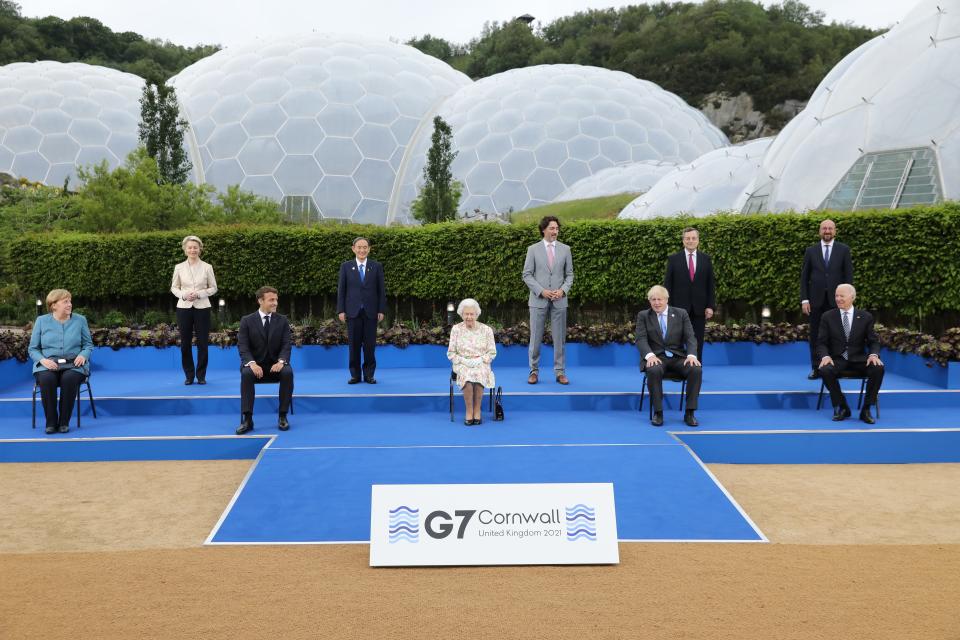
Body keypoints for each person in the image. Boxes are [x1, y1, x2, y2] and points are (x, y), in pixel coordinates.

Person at [635, 285, 702, 428]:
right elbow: (640, 339)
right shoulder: (643, 316)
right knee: (653, 369)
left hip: (678, 357)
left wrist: (691, 355)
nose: (656, 303)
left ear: (666, 300)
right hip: (657, 357)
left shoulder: (681, 313)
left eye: (659, 299)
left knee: (695, 369)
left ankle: (690, 412)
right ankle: (658, 413)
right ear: (649, 301)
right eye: (653, 299)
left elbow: (690, 337)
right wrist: (650, 356)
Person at [816, 284, 883, 425]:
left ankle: (866, 409)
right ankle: (842, 406)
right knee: (824, 370)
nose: (838, 299)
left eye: (842, 296)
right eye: (836, 296)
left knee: (877, 368)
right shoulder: (827, 317)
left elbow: (873, 341)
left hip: (859, 358)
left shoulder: (866, 317)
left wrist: (874, 355)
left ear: (852, 297)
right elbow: (821, 342)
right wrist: (825, 356)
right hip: (837, 359)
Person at [28, 289, 93, 434]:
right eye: (65, 302)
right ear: (53, 305)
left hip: (74, 364)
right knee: (47, 378)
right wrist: (43, 360)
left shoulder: (80, 320)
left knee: (69, 378)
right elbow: (33, 349)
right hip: (48, 364)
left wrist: (83, 355)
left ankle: (64, 422)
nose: (70, 304)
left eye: (70, 301)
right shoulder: (41, 321)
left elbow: (88, 344)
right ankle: (51, 422)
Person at [522, 215, 574, 385]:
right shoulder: (533, 249)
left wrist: (563, 290)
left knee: (559, 338)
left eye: (557, 229)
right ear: (543, 229)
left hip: (559, 301)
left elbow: (570, 275)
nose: (555, 231)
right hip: (538, 301)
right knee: (535, 337)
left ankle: (560, 372)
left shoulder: (566, 249)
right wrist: (541, 291)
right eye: (552, 228)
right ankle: (533, 371)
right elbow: (527, 274)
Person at [236, 286, 293, 434]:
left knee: (287, 372)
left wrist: (281, 362)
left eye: (276, 300)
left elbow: (287, 344)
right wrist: (252, 364)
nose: (275, 303)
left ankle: (282, 416)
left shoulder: (282, 320)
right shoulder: (247, 321)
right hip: (255, 366)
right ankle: (248, 419)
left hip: (276, 365)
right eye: (271, 300)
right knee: (247, 374)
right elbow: (243, 346)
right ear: (260, 301)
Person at [801, 219, 852, 379]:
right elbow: (804, 278)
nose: (827, 231)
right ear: (820, 231)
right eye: (824, 228)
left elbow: (848, 276)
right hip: (815, 302)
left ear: (835, 231)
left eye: (830, 228)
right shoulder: (811, 251)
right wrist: (805, 300)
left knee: (838, 335)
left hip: (837, 301)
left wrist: (848, 299)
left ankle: (835, 368)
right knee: (816, 335)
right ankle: (817, 368)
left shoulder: (844, 250)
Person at [337, 237, 385, 384]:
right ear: (353, 249)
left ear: (369, 249)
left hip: (371, 312)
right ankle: (355, 375)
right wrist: (341, 310)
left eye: (365, 247)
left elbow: (381, 290)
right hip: (352, 312)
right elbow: (342, 290)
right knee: (354, 346)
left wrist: (381, 310)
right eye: (359, 247)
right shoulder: (346, 266)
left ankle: (369, 374)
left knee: (370, 346)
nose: (362, 250)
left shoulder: (376, 266)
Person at [171, 235, 218, 385]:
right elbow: (174, 287)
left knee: (203, 343)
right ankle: (189, 375)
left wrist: (199, 294)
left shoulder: (207, 267)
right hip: (183, 308)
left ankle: (201, 375)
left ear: (200, 249)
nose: (192, 250)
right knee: (185, 343)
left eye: (195, 247)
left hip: (202, 307)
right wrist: (184, 295)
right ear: (185, 250)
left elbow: (213, 288)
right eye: (190, 247)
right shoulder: (178, 267)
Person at [664, 227, 716, 361]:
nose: (690, 241)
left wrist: (710, 306)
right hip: (678, 309)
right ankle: (679, 369)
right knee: (678, 340)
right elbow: (668, 285)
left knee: (697, 341)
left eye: (693, 238)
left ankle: (696, 370)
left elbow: (710, 285)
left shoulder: (706, 259)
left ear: (698, 240)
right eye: (687, 238)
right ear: (683, 241)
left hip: (700, 309)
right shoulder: (673, 259)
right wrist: (668, 307)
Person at [447, 298, 497, 426]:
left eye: (471, 314)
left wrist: (481, 360)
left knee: (479, 374)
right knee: (468, 377)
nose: (469, 317)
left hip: (481, 362)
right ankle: (469, 410)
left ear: (477, 314)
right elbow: (451, 353)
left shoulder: (486, 330)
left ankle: (477, 409)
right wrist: (463, 360)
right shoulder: (456, 329)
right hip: (462, 363)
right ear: (461, 314)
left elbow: (492, 352)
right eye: (466, 314)